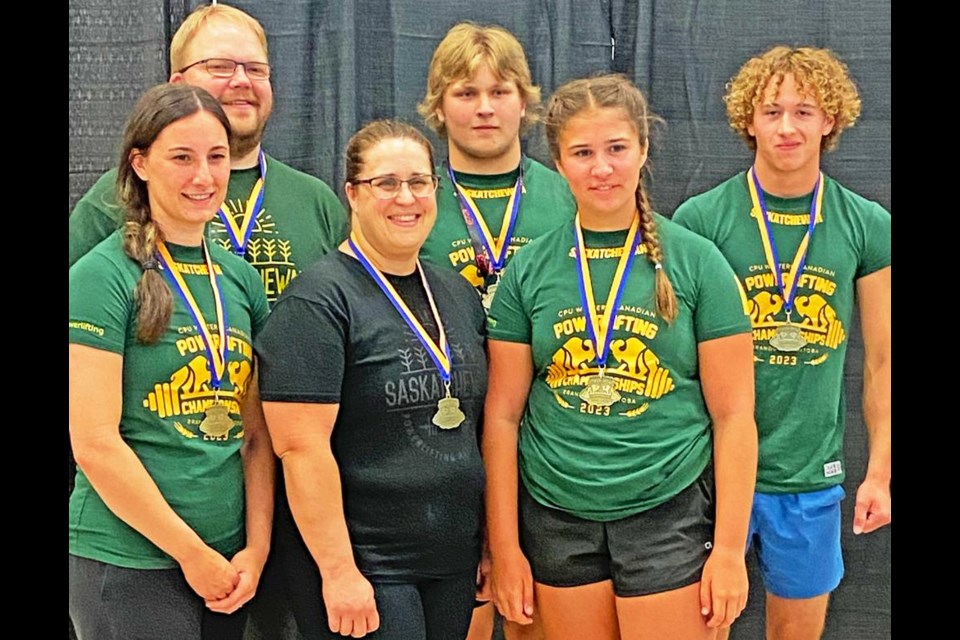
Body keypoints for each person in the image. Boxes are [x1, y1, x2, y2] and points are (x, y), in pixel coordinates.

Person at [483, 73, 758, 640]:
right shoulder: (530, 270)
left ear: (643, 150)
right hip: (556, 511)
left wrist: (730, 549)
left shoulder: (698, 262)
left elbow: (734, 418)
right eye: (582, 153)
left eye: (616, 149)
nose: (601, 168)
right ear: (558, 163)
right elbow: (503, 417)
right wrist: (505, 546)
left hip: (667, 508)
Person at [672, 45, 891, 640]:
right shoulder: (700, 219)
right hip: (708, 477)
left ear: (831, 120)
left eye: (803, 110)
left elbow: (882, 361)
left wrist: (881, 472)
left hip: (807, 478)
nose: (787, 127)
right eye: (771, 111)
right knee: (702, 628)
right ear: (748, 120)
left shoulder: (866, 224)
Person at [255, 119, 488, 640]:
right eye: (386, 183)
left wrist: (486, 543)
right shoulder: (318, 302)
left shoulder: (455, 292)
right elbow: (299, 449)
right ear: (353, 195)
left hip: (451, 558)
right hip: (368, 562)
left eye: (419, 182)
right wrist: (338, 571)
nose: (405, 198)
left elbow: (475, 429)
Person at [68, 83, 273, 640]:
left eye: (216, 157)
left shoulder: (240, 279)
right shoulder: (100, 277)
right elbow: (93, 441)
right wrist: (191, 554)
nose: (203, 177)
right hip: (131, 561)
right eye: (181, 158)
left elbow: (255, 436)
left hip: (228, 564)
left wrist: (256, 547)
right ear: (141, 163)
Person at [69, 2, 348, 305]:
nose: (242, 80)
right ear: (178, 84)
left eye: (256, 69)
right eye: (220, 66)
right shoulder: (119, 195)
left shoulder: (317, 202)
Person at [418, 22, 575, 315]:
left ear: (524, 102)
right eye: (466, 94)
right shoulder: (413, 200)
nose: (485, 108)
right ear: (439, 106)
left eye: (500, 92)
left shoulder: (570, 196)